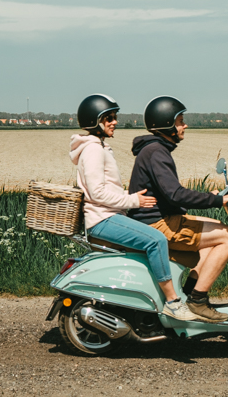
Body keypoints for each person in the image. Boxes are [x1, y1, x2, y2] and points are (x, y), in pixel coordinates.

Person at [71, 94, 197, 322]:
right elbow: (97, 193)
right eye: (108, 118)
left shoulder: (99, 147)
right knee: (156, 239)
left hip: (108, 216)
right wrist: (134, 202)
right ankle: (173, 303)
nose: (114, 122)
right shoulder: (93, 150)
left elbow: (105, 188)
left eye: (114, 117)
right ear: (93, 121)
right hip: (102, 220)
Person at [127, 96, 228, 323]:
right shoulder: (157, 152)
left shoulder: (153, 149)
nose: (184, 125)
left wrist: (212, 198)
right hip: (155, 224)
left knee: (216, 227)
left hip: (157, 218)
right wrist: (217, 201)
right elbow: (175, 193)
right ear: (166, 124)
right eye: (180, 121)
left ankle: (190, 292)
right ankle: (198, 300)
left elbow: (167, 194)